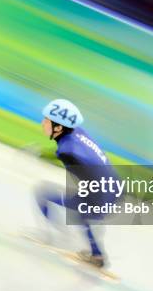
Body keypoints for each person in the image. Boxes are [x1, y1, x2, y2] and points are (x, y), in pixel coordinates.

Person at [33, 99, 121, 268]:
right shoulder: (78, 132)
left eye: (46, 120)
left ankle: (62, 239)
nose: (42, 123)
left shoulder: (68, 150)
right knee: (83, 214)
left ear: (58, 127)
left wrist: (41, 154)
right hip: (113, 188)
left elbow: (75, 156)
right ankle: (96, 253)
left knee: (42, 193)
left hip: (101, 194)